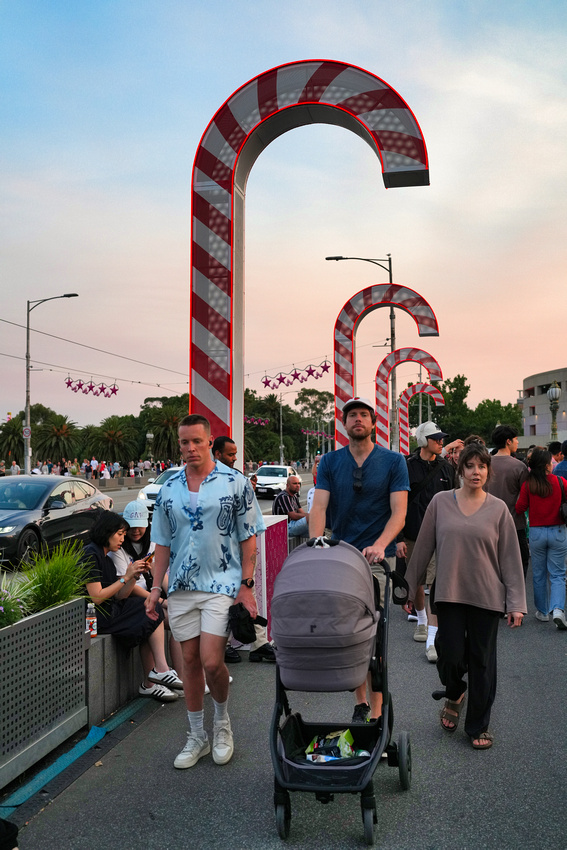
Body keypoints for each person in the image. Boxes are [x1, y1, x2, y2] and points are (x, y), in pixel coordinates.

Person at [147, 414, 265, 769]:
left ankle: (222, 724)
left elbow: (249, 538)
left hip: (221, 584)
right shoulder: (169, 488)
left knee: (214, 661)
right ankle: (197, 734)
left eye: (197, 441)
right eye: (184, 442)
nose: (190, 448)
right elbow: (162, 544)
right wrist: (155, 587)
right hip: (181, 587)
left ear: (209, 441)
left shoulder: (234, 483)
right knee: (191, 663)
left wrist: (247, 586)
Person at [405, 443, 526, 750]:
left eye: (482, 466)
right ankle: (455, 692)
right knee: (449, 655)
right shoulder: (441, 502)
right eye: (470, 466)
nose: (476, 472)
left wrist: (516, 604)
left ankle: (477, 726)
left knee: (483, 662)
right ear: (460, 470)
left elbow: (510, 559)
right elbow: (423, 548)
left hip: (487, 597)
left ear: (488, 471)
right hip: (449, 593)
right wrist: (409, 586)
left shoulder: (498, 509)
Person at [309, 397, 409, 722]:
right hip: (341, 559)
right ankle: (361, 704)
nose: (358, 419)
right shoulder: (330, 462)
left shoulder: (393, 462)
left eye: (364, 415)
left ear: (373, 423)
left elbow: (399, 513)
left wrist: (381, 544)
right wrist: (317, 544)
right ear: (344, 423)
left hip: (377, 562)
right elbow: (319, 508)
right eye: (352, 415)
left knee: (375, 638)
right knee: (350, 637)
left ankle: (378, 714)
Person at [82, 511, 180, 703]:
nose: (123, 538)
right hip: (96, 617)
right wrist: (126, 577)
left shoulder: (106, 558)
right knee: (151, 609)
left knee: (150, 607)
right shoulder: (90, 554)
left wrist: (133, 576)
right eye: (120, 533)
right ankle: (158, 673)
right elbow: (96, 597)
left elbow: (120, 595)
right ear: (106, 532)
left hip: (110, 610)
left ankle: (158, 672)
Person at [212, 435, 275, 663]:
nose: (234, 458)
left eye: (235, 454)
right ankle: (226, 644)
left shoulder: (237, 479)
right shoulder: (208, 480)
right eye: (230, 454)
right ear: (217, 454)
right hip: (221, 553)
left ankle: (258, 642)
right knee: (224, 598)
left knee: (248, 594)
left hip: (240, 548)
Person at [108, 500, 185, 685]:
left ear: (147, 524)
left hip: (150, 597)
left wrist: (175, 597)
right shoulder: (118, 548)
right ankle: (155, 681)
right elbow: (125, 587)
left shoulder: (151, 543)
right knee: (154, 618)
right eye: (131, 527)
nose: (135, 531)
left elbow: (159, 572)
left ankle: (183, 680)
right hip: (132, 600)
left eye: (140, 526)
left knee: (180, 621)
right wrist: (160, 601)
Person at [396, 421, 455, 663]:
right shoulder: (406, 467)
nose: (441, 442)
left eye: (442, 438)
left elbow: (454, 501)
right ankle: (421, 619)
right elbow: (397, 505)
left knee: (435, 585)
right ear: (423, 440)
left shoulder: (446, 468)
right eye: (436, 438)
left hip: (440, 535)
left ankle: (431, 635)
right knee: (417, 584)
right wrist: (398, 538)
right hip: (411, 534)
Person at [515, 447, 567, 629]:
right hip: (558, 531)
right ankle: (558, 609)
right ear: (546, 465)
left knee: (538, 574)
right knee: (558, 574)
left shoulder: (528, 484)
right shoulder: (560, 482)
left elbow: (520, 507)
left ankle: (543, 612)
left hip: (536, 533)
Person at [487, 425, 529, 577]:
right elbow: (524, 498)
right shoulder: (519, 467)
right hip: (515, 524)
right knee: (519, 565)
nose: (517, 442)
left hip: (488, 523)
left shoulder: (485, 464)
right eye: (516, 439)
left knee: (493, 566)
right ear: (508, 441)